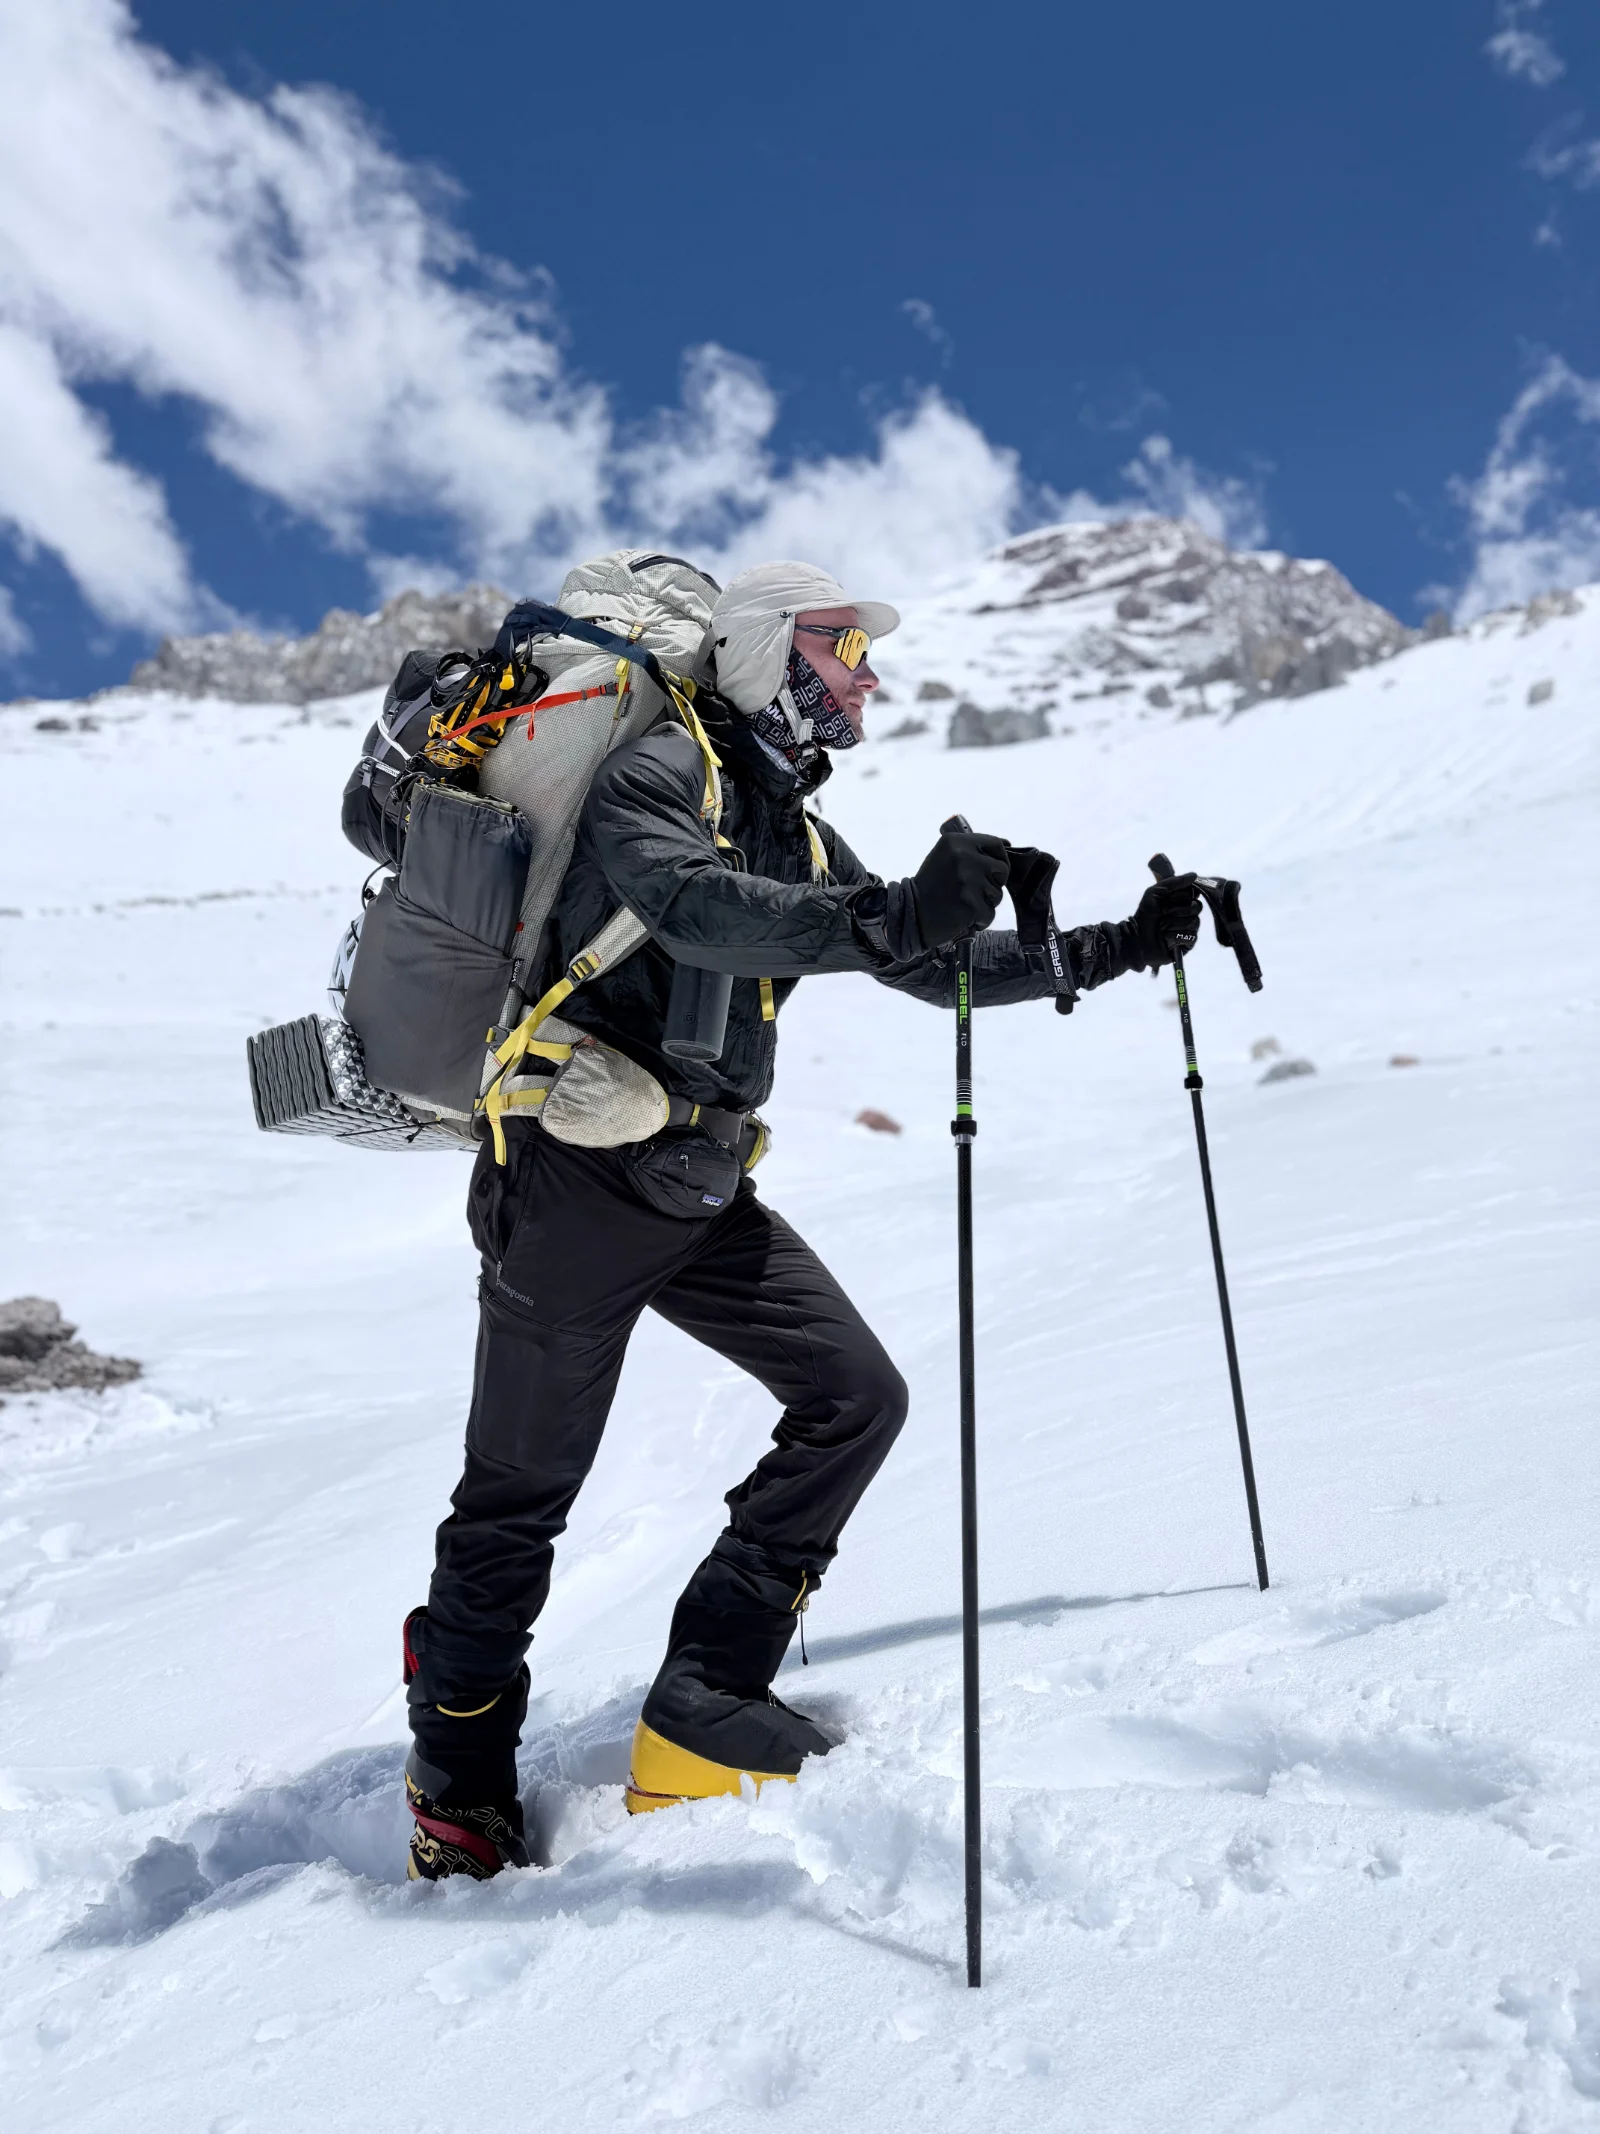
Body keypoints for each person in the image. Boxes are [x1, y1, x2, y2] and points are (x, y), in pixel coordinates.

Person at [400, 559, 1201, 1880]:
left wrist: (1111, 945)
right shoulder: (659, 768)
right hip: (574, 1190)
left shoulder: (794, 823)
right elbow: (693, 910)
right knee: (519, 1500)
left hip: (703, 1189)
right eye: (845, 647)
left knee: (856, 1396)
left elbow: (912, 956)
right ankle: (456, 1784)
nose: (869, 672)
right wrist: (885, 911)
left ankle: (708, 1700)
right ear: (774, 650)